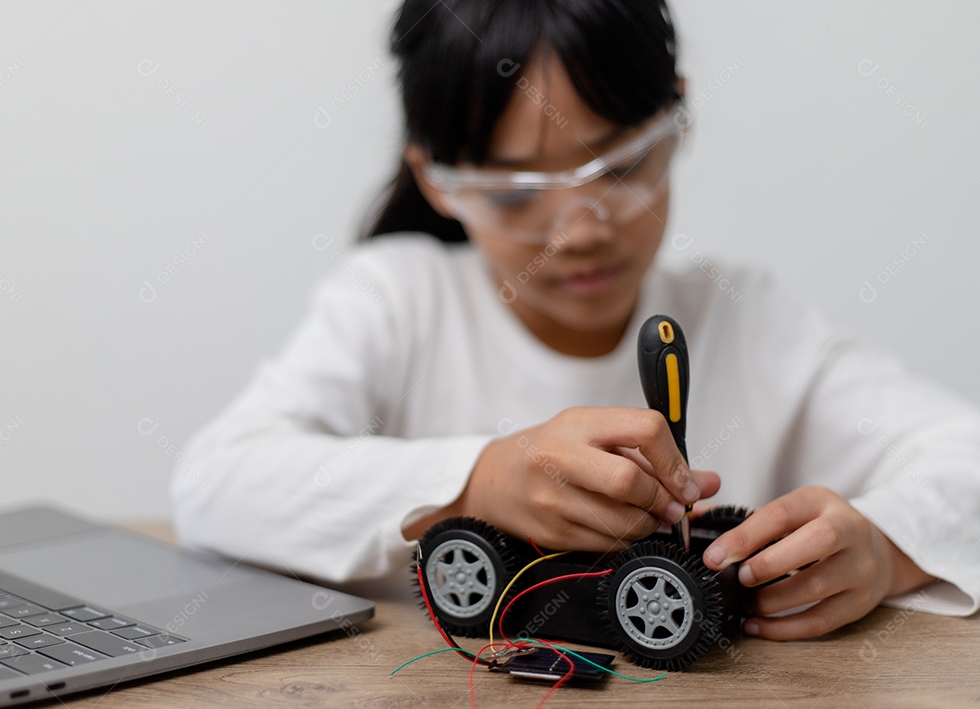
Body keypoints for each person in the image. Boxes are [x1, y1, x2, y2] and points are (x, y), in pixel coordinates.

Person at [171, 0, 980, 641]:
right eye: (519, 192)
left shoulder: (746, 319)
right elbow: (215, 483)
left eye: (621, 165)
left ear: (677, 119)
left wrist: (889, 543)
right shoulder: (396, 300)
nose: (582, 229)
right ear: (438, 180)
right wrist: (477, 478)